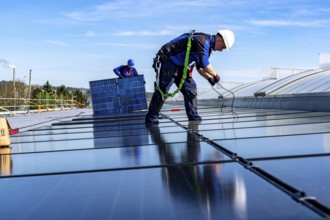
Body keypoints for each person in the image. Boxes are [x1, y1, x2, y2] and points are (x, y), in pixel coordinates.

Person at [145, 29, 235, 124]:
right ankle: (151, 118)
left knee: (190, 88)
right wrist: (216, 76)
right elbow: (205, 65)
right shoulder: (202, 40)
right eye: (223, 47)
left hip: (181, 66)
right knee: (163, 90)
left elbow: (200, 67)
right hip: (168, 60)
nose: (221, 50)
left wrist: (209, 78)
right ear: (220, 40)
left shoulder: (206, 47)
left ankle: (193, 117)